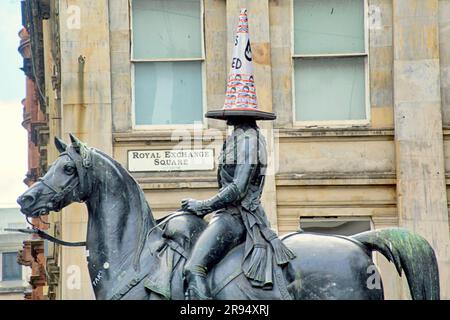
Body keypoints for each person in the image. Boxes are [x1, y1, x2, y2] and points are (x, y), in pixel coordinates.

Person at [181, 116, 295, 300]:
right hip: (230, 214)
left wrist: (202, 206)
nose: (226, 117)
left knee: (193, 268)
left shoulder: (249, 140)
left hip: (236, 217)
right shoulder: (239, 137)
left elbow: (238, 188)